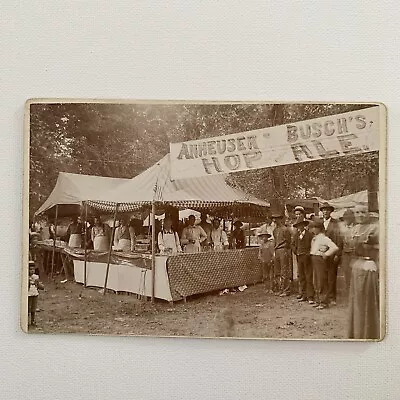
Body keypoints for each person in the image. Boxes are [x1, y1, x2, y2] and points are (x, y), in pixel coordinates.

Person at [348, 205, 380, 339]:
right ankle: (357, 332)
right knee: (357, 302)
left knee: (367, 300)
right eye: (357, 212)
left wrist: (375, 260)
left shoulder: (375, 228)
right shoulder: (354, 229)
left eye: (363, 212)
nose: (360, 215)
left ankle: (370, 333)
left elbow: (382, 248)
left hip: (369, 266)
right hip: (357, 267)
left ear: (368, 214)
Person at [309, 219, 339, 310]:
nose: (313, 229)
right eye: (313, 227)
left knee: (322, 280)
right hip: (314, 258)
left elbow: (334, 247)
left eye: (315, 227)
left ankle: (324, 301)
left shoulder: (324, 238)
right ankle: (318, 300)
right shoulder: (315, 237)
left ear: (320, 228)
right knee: (316, 280)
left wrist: (326, 254)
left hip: (320, 260)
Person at [320, 202, 342, 305]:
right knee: (323, 275)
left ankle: (332, 297)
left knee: (332, 276)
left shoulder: (335, 223)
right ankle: (325, 296)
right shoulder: (319, 223)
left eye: (327, 210)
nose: (325, 212)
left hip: (332, 253)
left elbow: (339, 240)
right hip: (321, 254)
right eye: (323, 210)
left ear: (330, 212)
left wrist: (338, 254)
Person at [292, 218, 314, 304]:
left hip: (307, 258)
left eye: (301, 225)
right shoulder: (296, 235)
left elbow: (312, 245)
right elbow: (292, 244)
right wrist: (296, 251)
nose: (299, 227)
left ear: (304, 226)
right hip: (299, 257)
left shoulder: (309, 235)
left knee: (308, 276)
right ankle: (303, 295)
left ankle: (310, 296)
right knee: (301, 276)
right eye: (298, 226)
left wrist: (308, 253)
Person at [272, 212, 292, 296]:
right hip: (277, 250)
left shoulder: (285, 229)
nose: (275, 220)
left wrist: (285, 251)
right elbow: (275, 241)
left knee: (284, 270)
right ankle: (280, 288)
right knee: (277, 271)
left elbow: (288, 241)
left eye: (277, 219)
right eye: (274, 219)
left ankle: (286, 290)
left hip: (283, 249)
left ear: (281, 219)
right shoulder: (275, 230)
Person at [339, 209, 356, 293]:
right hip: (345, 253)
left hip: (354, 253)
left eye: (349, 217)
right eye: (346, 218)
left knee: (354, 271)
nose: (347, 219)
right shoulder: (342, 228)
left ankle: (355, 290)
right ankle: (348, 289)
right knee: (346, 271)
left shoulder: (356, 227)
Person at [257, 226, 274, 291]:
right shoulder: (261, 245)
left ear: (267, 237)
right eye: (263, 237)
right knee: (265, 275)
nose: (264, 238)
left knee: (271, 275)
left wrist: (271, 260)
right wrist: (261, 260)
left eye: (265, 237)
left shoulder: (270, 244)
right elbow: (259, 254)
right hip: (264, 261)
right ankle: (266, 287)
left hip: (270, 261)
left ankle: (271, 288)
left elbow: (273, 253)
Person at [28, 261, 44, 326]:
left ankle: (33, 321)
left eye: (33, 269)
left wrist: (38, 284)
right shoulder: (26, 277)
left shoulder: (36, 277)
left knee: (33, 308)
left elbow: (39, 285)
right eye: (30, 269)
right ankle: (26, 321)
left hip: (35, 293)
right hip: (28, 294)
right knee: (28, 307)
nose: (32, 271)